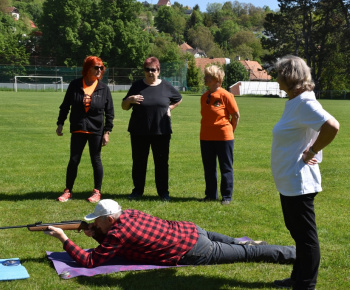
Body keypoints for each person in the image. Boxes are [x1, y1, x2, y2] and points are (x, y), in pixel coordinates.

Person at [45, 199, 296, 269]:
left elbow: (90, 262)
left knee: (247, 253)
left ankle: (297, 254)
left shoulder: (116, 235)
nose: (96, 225)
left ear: (109, 220)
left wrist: (64, 239)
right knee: (240, 244)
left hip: (195, 251)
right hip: (192, 229)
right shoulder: (128, 213)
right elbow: (117, 240)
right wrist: (95, 234)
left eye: (98, 222)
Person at [271, 55, 339, 289]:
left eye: (279, 73)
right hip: (289, 180)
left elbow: (332, 126)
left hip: (299, 181)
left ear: (288, 76)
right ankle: (298, 277)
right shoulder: (295, 101)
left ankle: (306, 284)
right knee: (298, 233)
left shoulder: (305, 103)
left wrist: (312, 151)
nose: (276, 77)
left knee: (306, 236)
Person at [121, 57, 182, 201]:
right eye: (147, 70)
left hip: (161, 131)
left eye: (153, 70)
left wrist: (169, 108)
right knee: (139, 162)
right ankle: (137, 191)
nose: (150, 72)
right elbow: (124, 107)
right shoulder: (137, 86)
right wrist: (129, 100)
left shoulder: (166, 86)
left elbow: (178, 98)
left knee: (161, 163)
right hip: (139, 131)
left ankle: (163, 192)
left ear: (158, 71)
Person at [56, 56, 114, 203]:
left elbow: (109, 112)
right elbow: (65, 105)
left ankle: (97, 191)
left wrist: (107, 132)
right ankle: (68, 190)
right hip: (78, 128)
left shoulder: (104, 88)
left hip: (96, 130)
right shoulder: (75, 85)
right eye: (96, 67)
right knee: (74, 160)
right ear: (88, 68)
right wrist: (60, 123)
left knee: (96, 160)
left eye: (101, 68)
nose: (100, 70)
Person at [200, 65, 240, 205]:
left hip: (224, 137)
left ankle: (226, 197)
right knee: (209, 168)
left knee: (225, 167)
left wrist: (230, 130)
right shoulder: (204, 96)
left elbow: (236, 115)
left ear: (217, 79)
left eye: (207, 76)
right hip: (205, 137)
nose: (204, 78)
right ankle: (210, 195)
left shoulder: (226, 95)